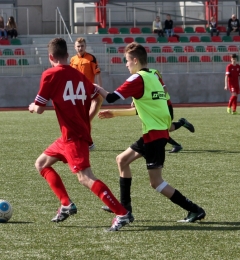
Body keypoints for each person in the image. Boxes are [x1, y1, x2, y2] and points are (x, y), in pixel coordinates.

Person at [28, 37, 134, 232]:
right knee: (41, 164)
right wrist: (88, 119)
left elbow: (40, 108)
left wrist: (33, 106)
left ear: (50, 56)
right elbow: (97, 98)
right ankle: (66, 204)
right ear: (68, 55)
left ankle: (122, 213)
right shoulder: (79, 75)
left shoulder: (49, 74)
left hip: (73, 137)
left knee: (85, 177)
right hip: (68, 135)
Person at [95, 42, 206, 223]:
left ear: (136, 60)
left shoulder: (137, 79)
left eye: (127, 61)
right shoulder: (154, 75)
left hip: (154, 136)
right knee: (121, 160)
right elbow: (146, 107)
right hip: (153, 133)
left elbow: (111, 97)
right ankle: (125, 209)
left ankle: (195, 209)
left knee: (156, 182)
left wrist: (95, 88)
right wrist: (114, 114)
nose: (126, 64)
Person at [70, 37, 103, 151]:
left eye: (82, 46)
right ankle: (87, 143)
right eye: (78, 46)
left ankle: (87, 143)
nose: (80, 48)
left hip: (90, 90)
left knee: (86, 118)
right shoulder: (73, 60)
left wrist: (100, 88)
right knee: (81, 119)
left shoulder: (91, 58)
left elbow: (97, 73)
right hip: (77, 93)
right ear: (75, 47)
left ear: (85, 46)